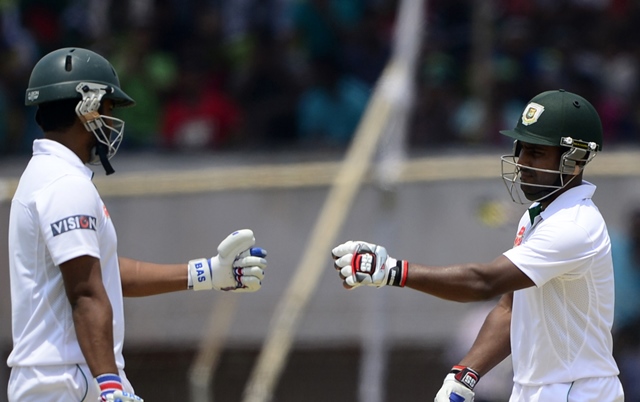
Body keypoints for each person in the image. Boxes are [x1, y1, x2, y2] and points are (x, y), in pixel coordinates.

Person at [7, 47, 268, 402]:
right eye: (110, 108)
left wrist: (208, 273)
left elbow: (102, 273)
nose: (113, 121)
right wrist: (110, 387)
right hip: (70, 382)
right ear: (88, 108)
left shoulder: (49, 176)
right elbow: (85, 293)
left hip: (67, 380)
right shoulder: (64, 185)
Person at [331, 89, 624, 401]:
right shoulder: (539, 216)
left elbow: (484, 282)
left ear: (575, 160)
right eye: (521, 149)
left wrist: (393, 271)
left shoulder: (574, 226)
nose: (522, 162)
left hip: (577, 392)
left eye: (536, 153)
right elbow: (510, 307)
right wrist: (464, 375)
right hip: (538, 389)